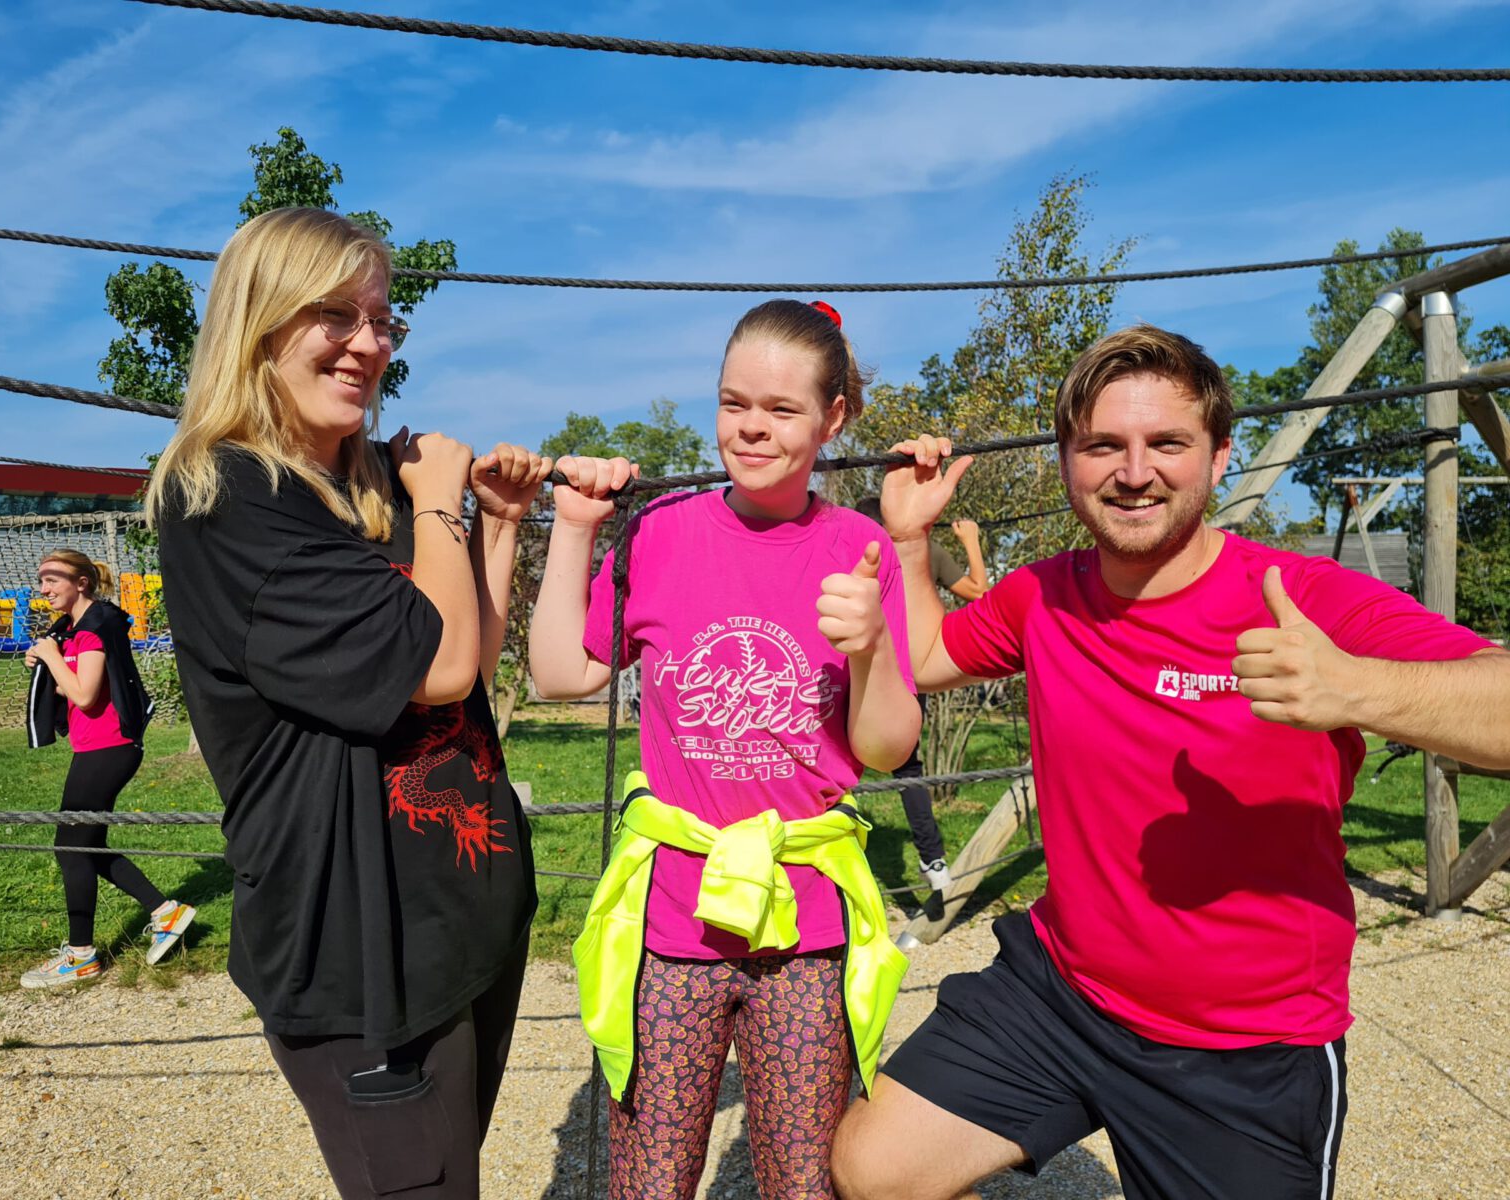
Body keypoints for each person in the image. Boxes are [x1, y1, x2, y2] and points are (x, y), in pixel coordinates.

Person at [832, 324, 1510, 1200]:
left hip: (1247, 1047)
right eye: (1103, 445)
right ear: (1070, 460)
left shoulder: (1299, 598)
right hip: (1062, 990)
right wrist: (913, 542)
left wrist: (1356, 690)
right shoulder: (1044, 592)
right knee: (869, 1168)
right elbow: (923, 658)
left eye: (1168, 444)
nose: (1135, 470)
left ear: (1221, 456)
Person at [148, 207, 549, 1200]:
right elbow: (444, 665)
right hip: (359, 962)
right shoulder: (227, 500)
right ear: (261, 319)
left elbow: (468, 656)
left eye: (384, 321)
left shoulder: (360, 484)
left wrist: (492, 525)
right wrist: (441, 499)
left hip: (459, 925)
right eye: (338, 313)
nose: (370, 344)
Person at [530, 299, 922, 1199]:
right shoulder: (662, 531)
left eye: (783, 410)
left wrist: (869, 648)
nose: (751, 426)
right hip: (674, 923)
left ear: (834, 418)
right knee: (649, 1177)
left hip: (807, 928)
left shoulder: (861, 549)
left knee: (806, 1178)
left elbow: (887, 747)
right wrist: (577, 527)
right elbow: (561, 672)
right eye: (733, 401)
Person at [20, 549, 193, 987]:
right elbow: (76, 691)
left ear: (81, 583)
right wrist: (46, 664)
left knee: (72, 847)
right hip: (96, 746)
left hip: (110, 747)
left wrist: (54, 658)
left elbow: (83, 694)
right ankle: (164, 911)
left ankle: (81, 956)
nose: (44, 589)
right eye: (41, 580)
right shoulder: (75, 630)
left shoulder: (95, 627)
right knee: (85, 845)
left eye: (53, 580)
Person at [854, 497, 992, 903]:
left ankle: (824, 855)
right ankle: (933, 861)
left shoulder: (852, 548)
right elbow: (980, 593)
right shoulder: (926, 551)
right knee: (908, 770)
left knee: (838, 765)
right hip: (905, 672)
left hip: (857, 667)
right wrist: (971, 541)